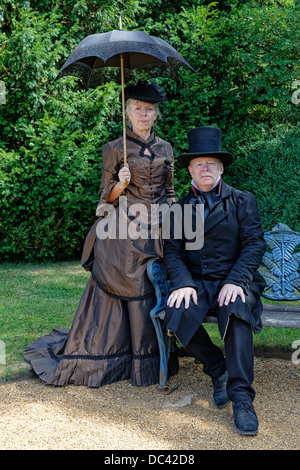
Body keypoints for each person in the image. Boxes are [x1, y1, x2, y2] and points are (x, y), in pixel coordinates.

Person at [24, 81, 178, 388]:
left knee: (151, 289)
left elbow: (170, 190)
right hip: (122, 234)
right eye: (137, 108)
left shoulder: (166, 148)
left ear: (156, 113)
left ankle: (150, 360)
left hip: (156, 231)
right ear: (127, 112)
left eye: (148, 109)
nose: (143, 114)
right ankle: (111, 359)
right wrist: (121, 183)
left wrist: (174, 217)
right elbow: (105, 198)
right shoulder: (113, 148)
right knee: (124, 287)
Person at [163, 126, 266, 435]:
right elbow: (172, 250)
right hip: (197, 281)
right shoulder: (180, 209)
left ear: (220, 168)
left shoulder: (242, 201)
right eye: (198, 164)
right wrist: (181, 282)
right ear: (191, 171)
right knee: (177, 313)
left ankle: (242, 398)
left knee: (236, 312)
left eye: (210, 163)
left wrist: (237, 280)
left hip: (236, 279)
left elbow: (254, 244)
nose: (204, 168)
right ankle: (217, 369)